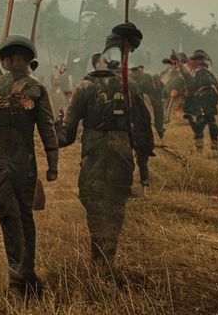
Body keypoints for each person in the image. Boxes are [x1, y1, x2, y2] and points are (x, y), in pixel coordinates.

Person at [0, 35, 58, 297]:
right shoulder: (37, 89)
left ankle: (21, 278)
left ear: (5, 61)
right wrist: (53, 165)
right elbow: (48, 130)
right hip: (23, 164)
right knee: (23, 218)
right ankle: (24, 274)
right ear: (28, 61)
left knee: (11, 217)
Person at [59, 24, 152, 267]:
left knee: (96, 210)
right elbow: (143, 132)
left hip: (94, 160)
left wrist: (47, 133)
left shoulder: (85, 87)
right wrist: (144, 170)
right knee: (115, 211)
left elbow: (66, 136)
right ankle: (106, 261)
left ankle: (100, 263)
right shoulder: (130, 87)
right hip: (122, 159)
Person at [186, 49, 218, 151]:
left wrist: (196, 95)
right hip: (208, 100)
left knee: (202, 123)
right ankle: (210, 144)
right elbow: (216, 88)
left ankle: (202, 147)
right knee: (209, 120)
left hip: (203, 100)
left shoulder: (200, 73)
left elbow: (201, 86)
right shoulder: (207, 73)